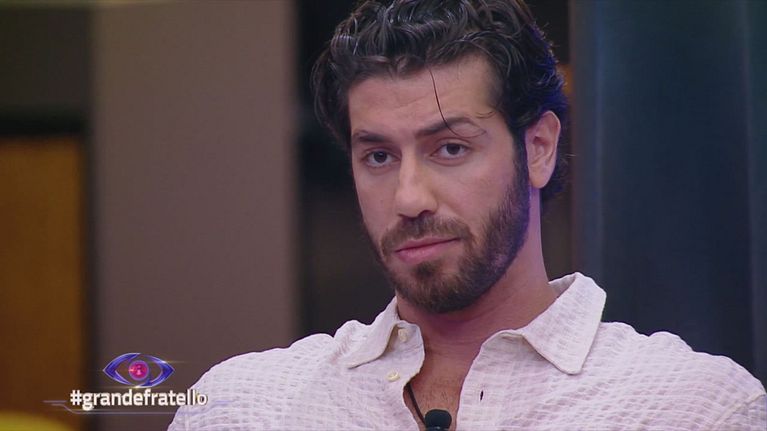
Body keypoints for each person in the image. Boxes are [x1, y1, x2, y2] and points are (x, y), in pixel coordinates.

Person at [169, 0, 766, 429]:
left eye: (450, 148)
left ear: (539, 148)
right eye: (378, 156)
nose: (409, 199)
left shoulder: (695, 409)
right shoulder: (243, 408)